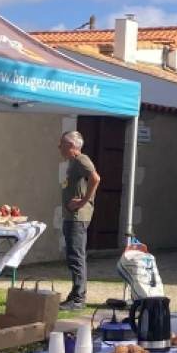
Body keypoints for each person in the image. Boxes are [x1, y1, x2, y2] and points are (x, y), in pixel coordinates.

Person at [57, 130, 101, 312]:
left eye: (62, 144)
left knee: (76, 256)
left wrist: (83, 201)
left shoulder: (82, 160)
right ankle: (75, 295)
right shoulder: (73, 163)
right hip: (71, 217)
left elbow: (95, 178)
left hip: (78, 217)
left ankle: (78, 299)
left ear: (71, 146)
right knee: (72, 256)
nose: (59, 148)